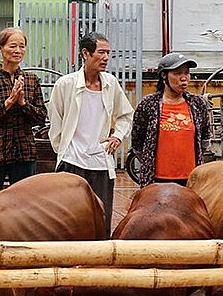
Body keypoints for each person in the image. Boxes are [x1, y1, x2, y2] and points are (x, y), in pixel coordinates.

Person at [48, 33, 134, 236]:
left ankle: (101, 262)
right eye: (101, 52)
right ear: (85, 53)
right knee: (68, 218)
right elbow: (56, 121)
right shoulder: (66, 84)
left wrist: (117, 137)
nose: (105, 58)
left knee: (101, 218)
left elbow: (126, 115)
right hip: (72, 162)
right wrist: (64, 150)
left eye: (108, 53)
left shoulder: (111, 84)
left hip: (100, 162)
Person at [0, 27, 48, 190]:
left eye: (22, 46)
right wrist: (8, 102)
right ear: (0, 48)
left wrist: (23, 103)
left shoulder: (31, 80)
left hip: (24, 151)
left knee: (24, 201)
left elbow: (41, 117)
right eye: (12, 46)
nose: (17, 51)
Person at [131, 52, 211, 187]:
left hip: (190, 180)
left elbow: (205, 139)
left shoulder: (197, 104)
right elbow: (137, 143)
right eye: (177, 73)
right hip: (156, 181)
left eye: (186, 73)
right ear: (164, 75)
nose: (184, 78)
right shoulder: (149, 104)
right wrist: (149, 163)